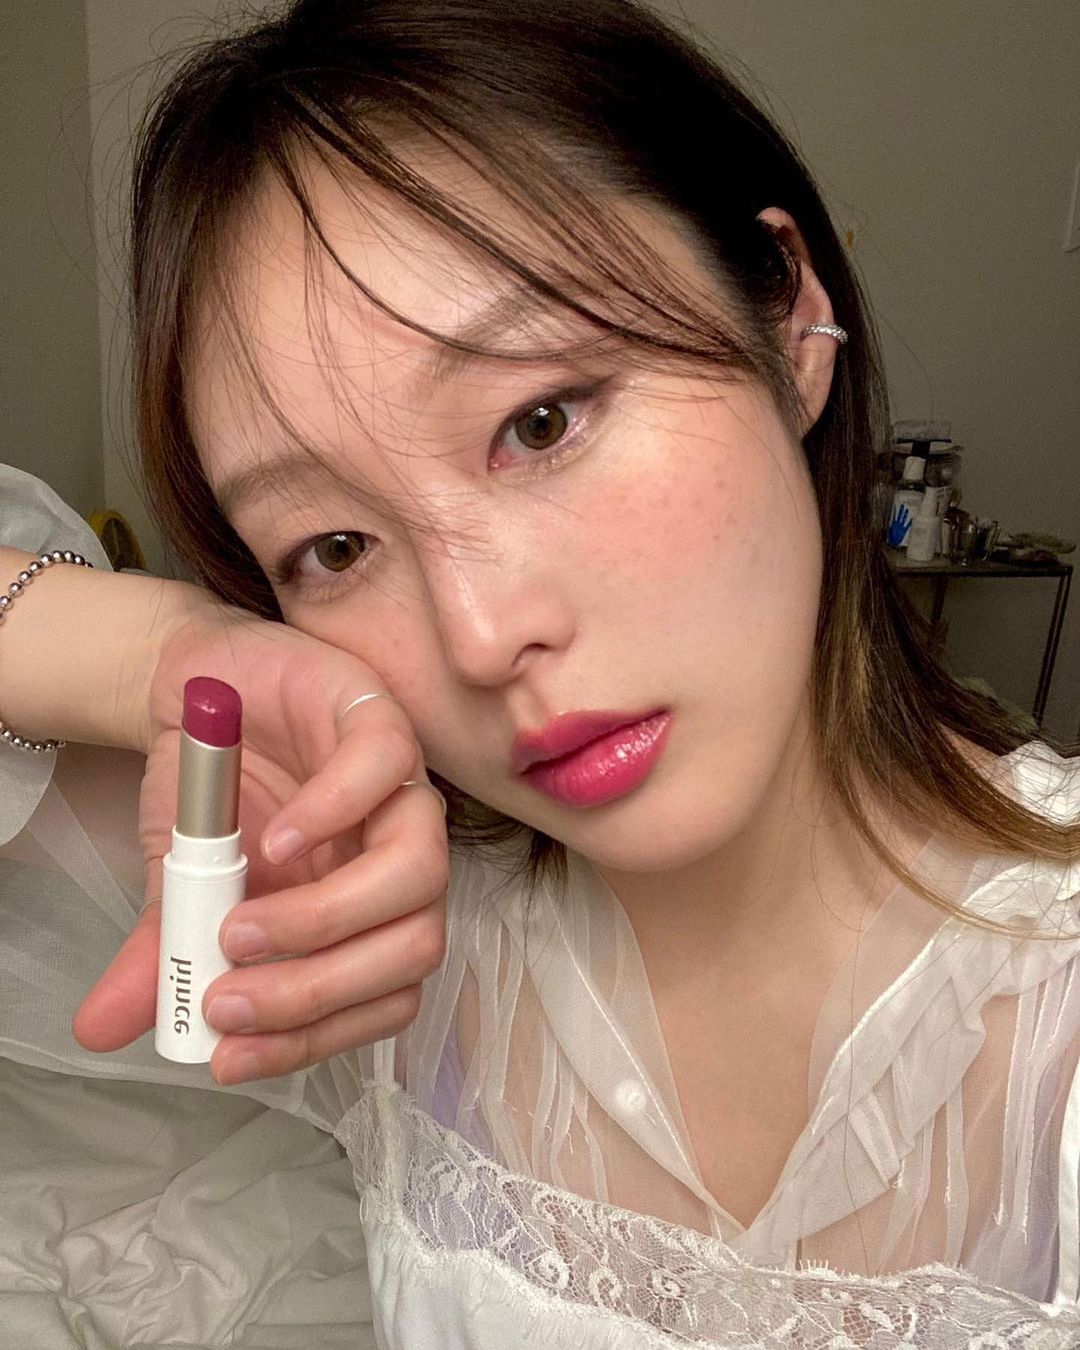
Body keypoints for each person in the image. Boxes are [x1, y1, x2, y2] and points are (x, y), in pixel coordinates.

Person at [1, 0, 1078, 1343]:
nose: (478, 635)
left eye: (542, 419)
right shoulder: (364, 936)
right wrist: (168, 654)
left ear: (789, 314)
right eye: (333, 546)